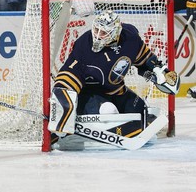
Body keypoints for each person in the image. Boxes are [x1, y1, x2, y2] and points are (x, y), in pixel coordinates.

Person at [48, 10, 180, 137]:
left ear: (115, 32)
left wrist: (157, 73)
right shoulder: (84, 44)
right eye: (96, 30)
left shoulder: (130, 39)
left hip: (117, 91)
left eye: (104, 32)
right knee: (108, 110)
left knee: (143, 112)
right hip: (91, 94)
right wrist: (62, 95)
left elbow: (145, 61)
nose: (98, 35)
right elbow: (70, 73)